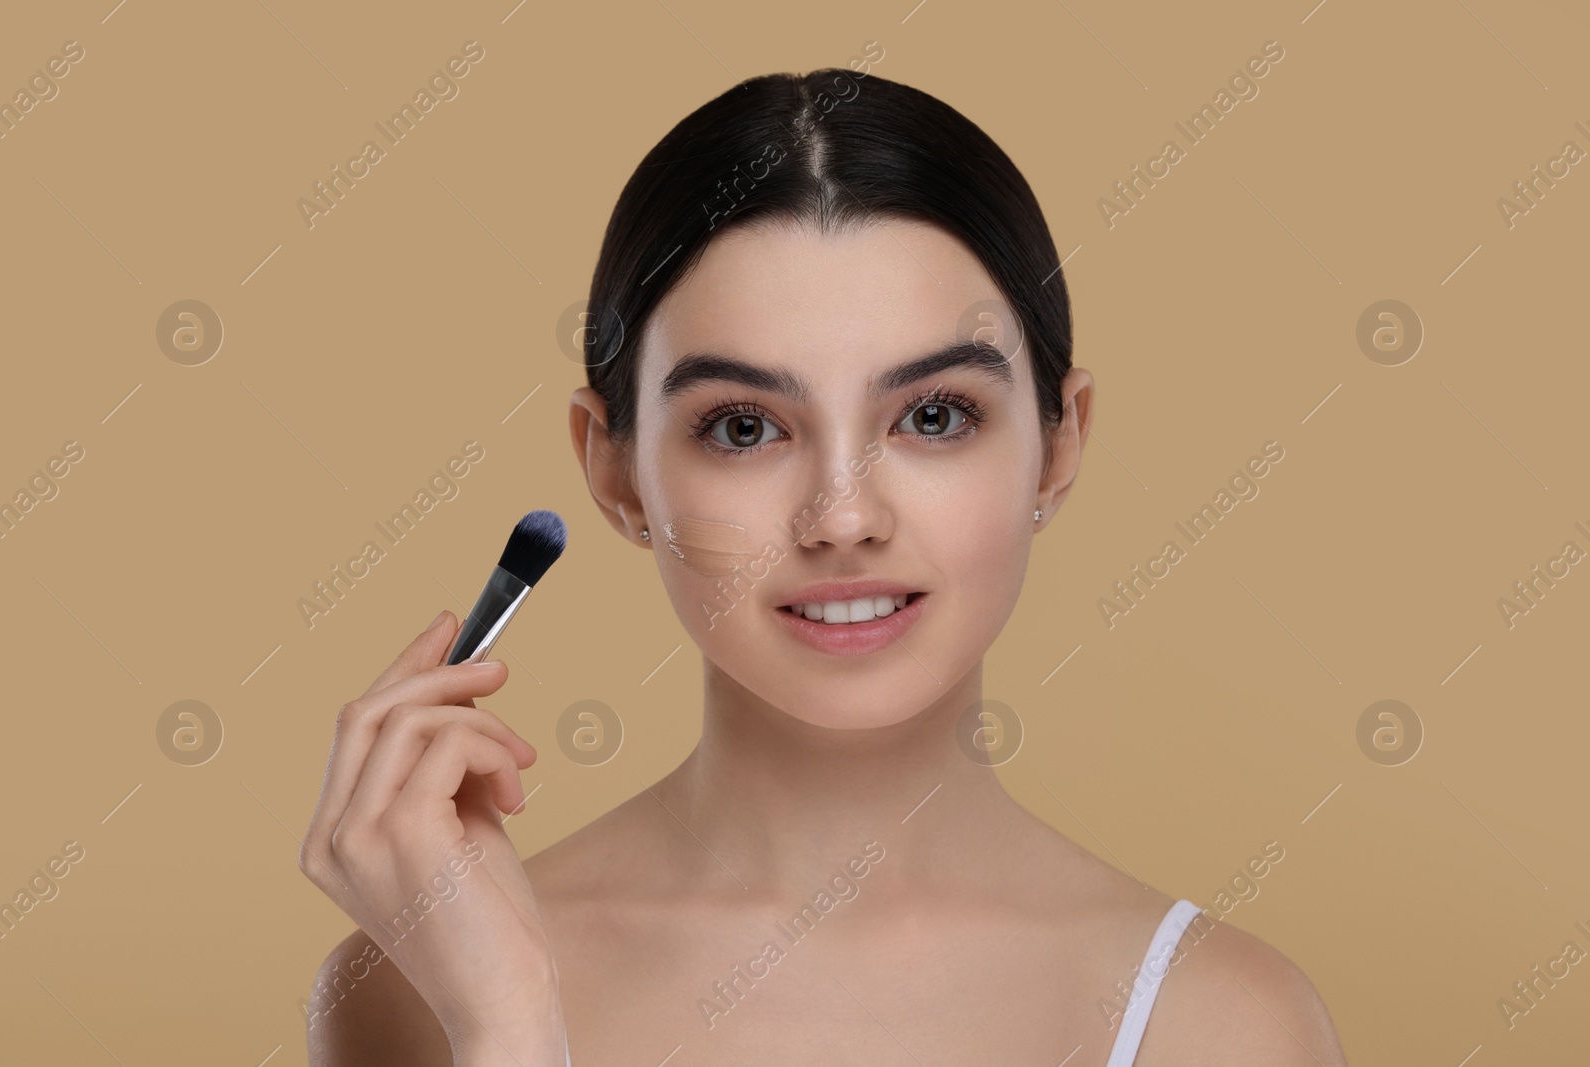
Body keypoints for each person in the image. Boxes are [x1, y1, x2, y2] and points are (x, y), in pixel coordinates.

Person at [298, 66, 1349, 1066]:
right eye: (746, 426)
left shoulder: (1221, 1020)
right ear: (612, 470)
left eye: (935, 415)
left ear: (1059, 441)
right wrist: (507, 1018)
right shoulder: (415, 988)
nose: (841, 516)